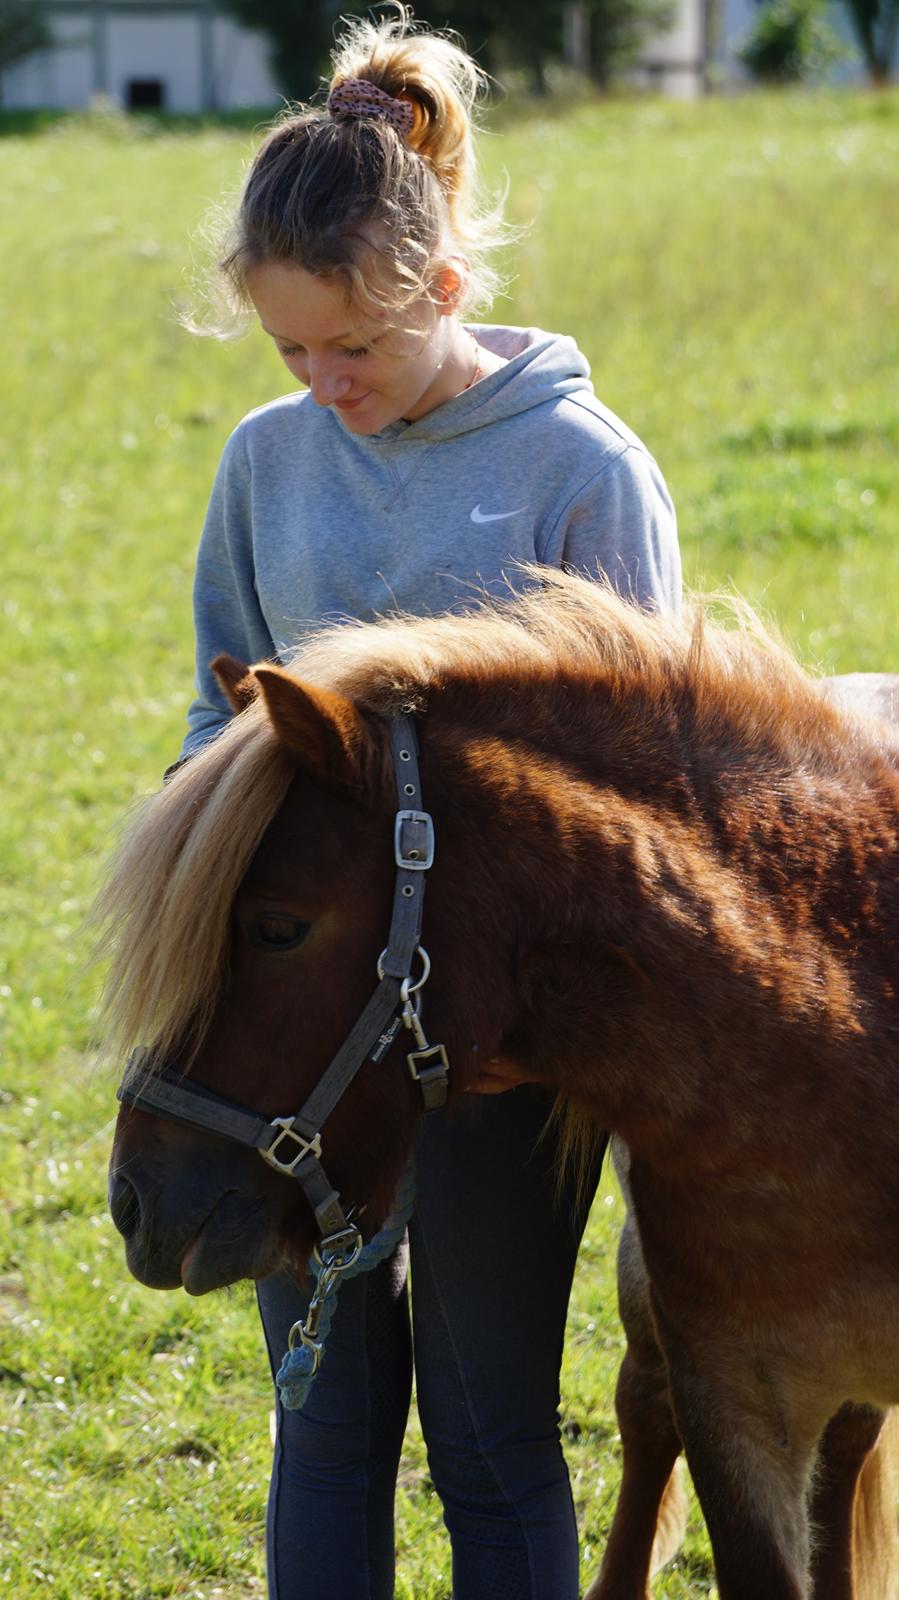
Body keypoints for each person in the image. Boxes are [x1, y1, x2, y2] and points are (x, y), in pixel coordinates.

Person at [177, 10, 681, 1597]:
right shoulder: (269, 463)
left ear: (446, 291)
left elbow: (648, 783)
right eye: (290, 354)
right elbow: (221, 711)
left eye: (359, 352)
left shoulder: (584, 473)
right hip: (302, 1045)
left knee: (487, 1435)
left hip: (496, 1052)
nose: (323, 385)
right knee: (322, 1424)